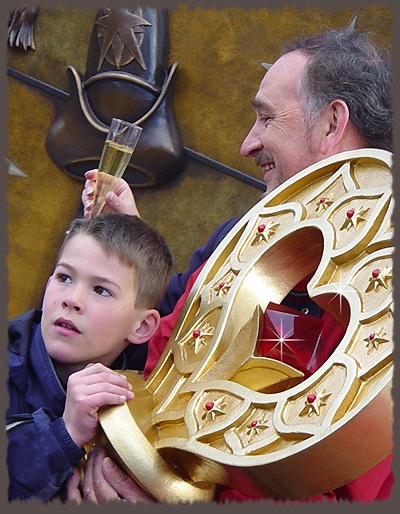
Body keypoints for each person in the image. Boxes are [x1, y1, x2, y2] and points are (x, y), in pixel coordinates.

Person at [71, 24, 393, 504]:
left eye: (266, 119)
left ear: (331, 123)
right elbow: (158, 348)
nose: (247, 144)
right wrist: (116, 451)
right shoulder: (239, 235)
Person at [7, 213, 173, 502]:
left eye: (100, 290)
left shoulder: (143, 402)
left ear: (142, 327)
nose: (71, 299)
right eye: (64, 277)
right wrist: (64, 434)